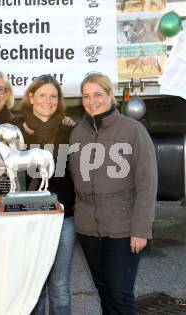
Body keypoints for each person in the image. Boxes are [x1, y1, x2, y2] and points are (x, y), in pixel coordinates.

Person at [69, 73, 157, 314]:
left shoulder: (133, 130)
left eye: (98, 94)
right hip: (88, 228)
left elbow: (147, 185)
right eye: (86, 96)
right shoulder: (77, 133)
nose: (92, 101)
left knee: (120, 295)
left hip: (123, 227)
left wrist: (141, 229)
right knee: (104, 291)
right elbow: (75, 179)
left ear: (111, 96)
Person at [18, 75, 76, 315]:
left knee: (60, 286)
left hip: (64, 217)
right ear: (31, 97)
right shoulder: (17, 130)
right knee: (35, 286)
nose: (48, 101)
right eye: (42, 95)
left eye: (53, 96)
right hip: (28, 217)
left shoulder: (69, 129)